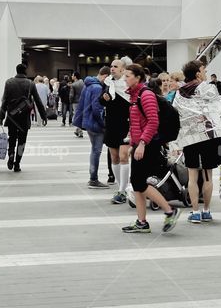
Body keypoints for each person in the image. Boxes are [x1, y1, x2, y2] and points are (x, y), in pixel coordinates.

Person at [121, 64, 180, 234]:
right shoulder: (135, 95)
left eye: (128, 76)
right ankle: (141, 222)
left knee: (139, 182)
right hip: (140, 144)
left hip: (148, 145)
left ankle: (170, 211)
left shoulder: (145, 95)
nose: (125, 79)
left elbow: (153, 122)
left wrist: (142, 144)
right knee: (137, 183)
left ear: (138, 77)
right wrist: (134, 142)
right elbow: (137, 122)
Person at [172, 60, 221, 223]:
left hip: (190, 137)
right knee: (207, 175)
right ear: (198, 73)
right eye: (204, 70)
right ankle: (206, 210)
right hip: (208, 136)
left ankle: (195, 212)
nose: (205, 73)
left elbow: (177, 114)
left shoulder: (179, 93)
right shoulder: (209, 88)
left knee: (192, 176)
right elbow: (219, 107)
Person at [0, 64, 46, 172]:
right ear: (25, 72)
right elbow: (38, 101)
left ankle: (11, 154)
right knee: (22, 141)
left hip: (12, 116)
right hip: (24, 118)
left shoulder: (9, 82)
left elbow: (4, 101)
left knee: (12, 138)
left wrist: (1, 117)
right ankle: (17, 164)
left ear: (16, 71)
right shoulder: (30, 84)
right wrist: (43, 116)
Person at [101, 58, 132, 203]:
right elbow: (100, 101)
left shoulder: (127, 84)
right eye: (111, 66)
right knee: (114, 157)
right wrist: (104, 98)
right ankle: (121, 188)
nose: (112, 68)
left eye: (115, 66)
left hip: (126, 123)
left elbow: (133, 102)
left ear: (122, 69)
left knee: (124, 156)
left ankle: (124, 189)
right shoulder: (107, 82)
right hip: (111, 123)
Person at [73, 67, 108, 188]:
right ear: (105, 76)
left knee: (94, 150)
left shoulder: (88, 84)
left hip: (87, 122)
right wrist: (104, 124)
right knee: (96, 151)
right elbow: (97, 109)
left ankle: (93, 178)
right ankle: (93, 179)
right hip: (95, 123)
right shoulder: (98, 87)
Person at [70, 75, 85, 139]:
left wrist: (70, 101)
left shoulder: (73, 85)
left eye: (72, 75)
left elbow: (71, 95)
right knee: (80, 116)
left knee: (76, 116)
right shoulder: (84, 83)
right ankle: (77, 130)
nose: (71, 76)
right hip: (83, 101)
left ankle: (80, 131)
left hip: (75, 102)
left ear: (75, 77)